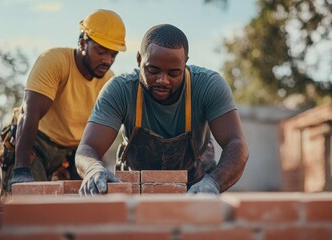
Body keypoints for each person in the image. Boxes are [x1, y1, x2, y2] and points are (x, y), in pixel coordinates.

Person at [75, 24, 249, 195]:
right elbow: (88, 148)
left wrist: (213, 182)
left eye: (174, 73)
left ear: (185, 63)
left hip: (196, 188)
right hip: (136, 189)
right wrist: (93, 168)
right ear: (139, 60)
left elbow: (237, 145)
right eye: (153, 70)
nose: (163, 80)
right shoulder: (119, 90)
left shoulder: (209, 86)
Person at [0, 9, 126, 201]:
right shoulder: (54, 61)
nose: (107, 60)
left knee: (87, 206)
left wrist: (97, 167)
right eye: (101, 51)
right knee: (27, 206)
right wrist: (22, 170)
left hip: (72, 152)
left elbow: (99, 134)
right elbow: (29, 115)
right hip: (33, 143)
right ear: (82, 43)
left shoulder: (109, 81)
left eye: (113, 54)